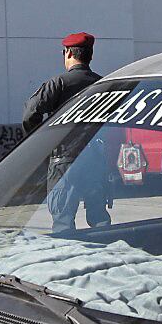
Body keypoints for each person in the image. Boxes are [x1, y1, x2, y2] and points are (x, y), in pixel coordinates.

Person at [21, 32, 110, 231]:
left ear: (68, 53)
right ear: (90, 55)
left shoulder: (58, 84)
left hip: (64, 160)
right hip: (95, 159)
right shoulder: (104, 85)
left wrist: (40, 144)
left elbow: (30, 113)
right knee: (100, 220)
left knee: (63, 223)